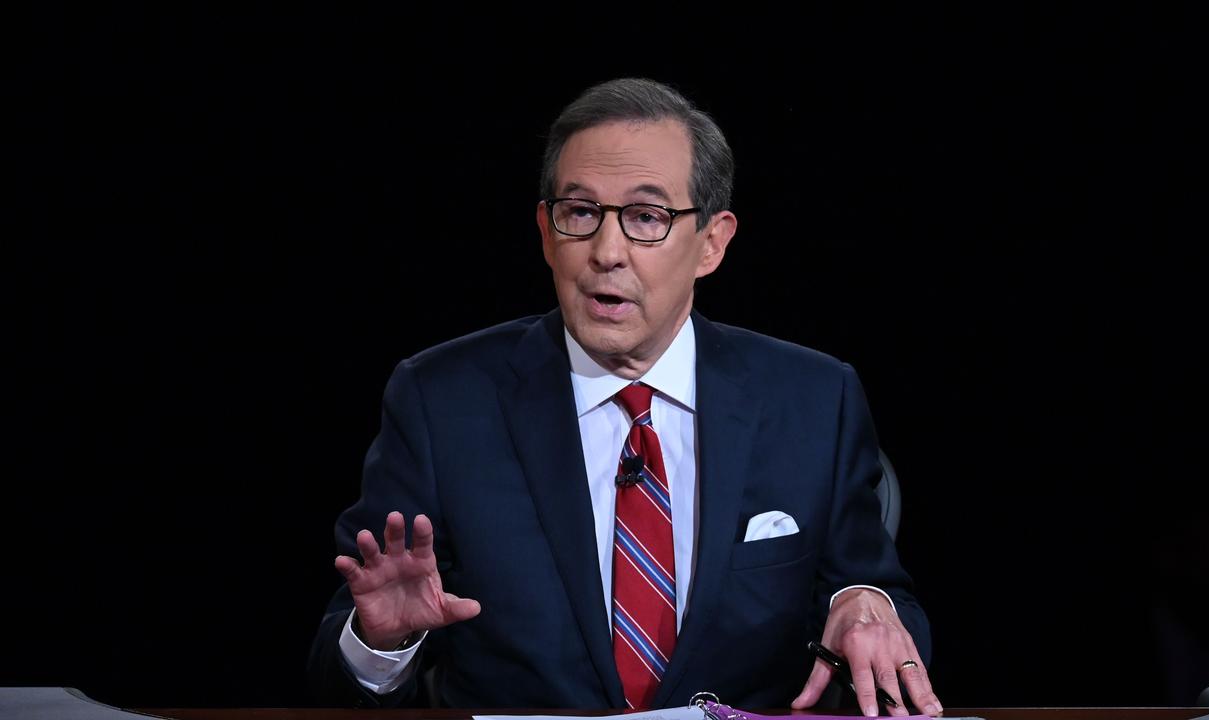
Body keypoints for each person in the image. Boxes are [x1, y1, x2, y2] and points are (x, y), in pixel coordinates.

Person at [308, 78, 943, 717]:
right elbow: (335, 676)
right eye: (580, 213)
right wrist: (383, 642)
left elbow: (881, 595)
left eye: (647, 217)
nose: (606, 253)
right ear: (546, 231)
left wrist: (864, 602)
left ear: (713, 243)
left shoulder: (812, 399)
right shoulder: (441, 401)